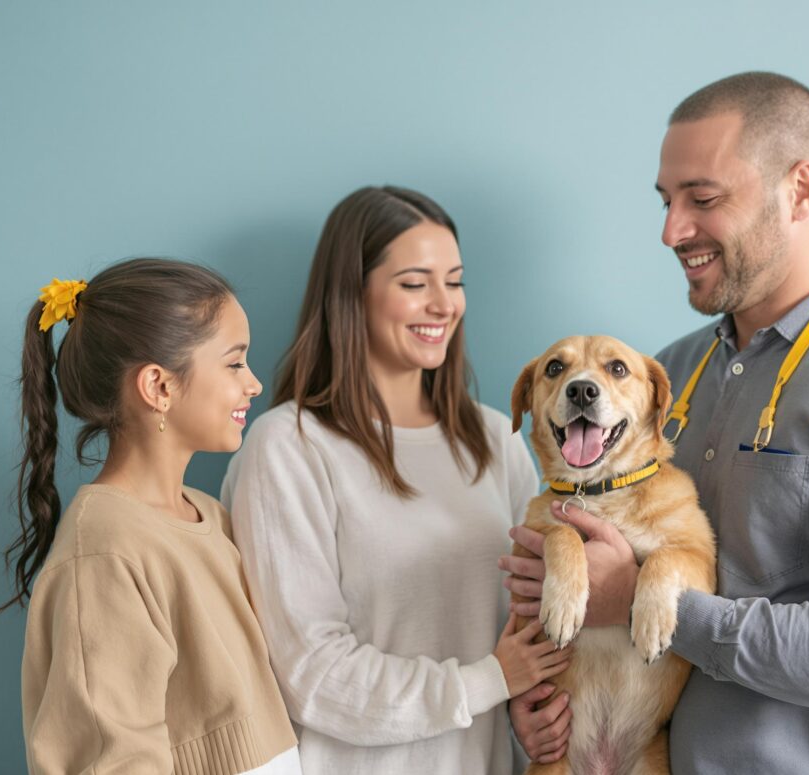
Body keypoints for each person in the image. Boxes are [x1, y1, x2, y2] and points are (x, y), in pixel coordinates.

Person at [504, 72, 809, 773]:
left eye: (703, 199)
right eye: (667, 202)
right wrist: (538, 691)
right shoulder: (666, 374)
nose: (672, 231)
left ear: (802, 191)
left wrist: (636, 598)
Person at [221, 185, 568, 775]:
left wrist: (529, 711)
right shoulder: (289, 448)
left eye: (454, 282)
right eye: (414, 284)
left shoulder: (496, 440)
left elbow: (526, 628)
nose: (443, 304)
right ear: (351, 295)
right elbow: (310, 672)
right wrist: (489, 682)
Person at [4, 258, 300, 773]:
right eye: (234, 364)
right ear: (159, 387)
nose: (254, 384)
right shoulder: (104, 551)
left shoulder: (209, 515)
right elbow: (110, 759)